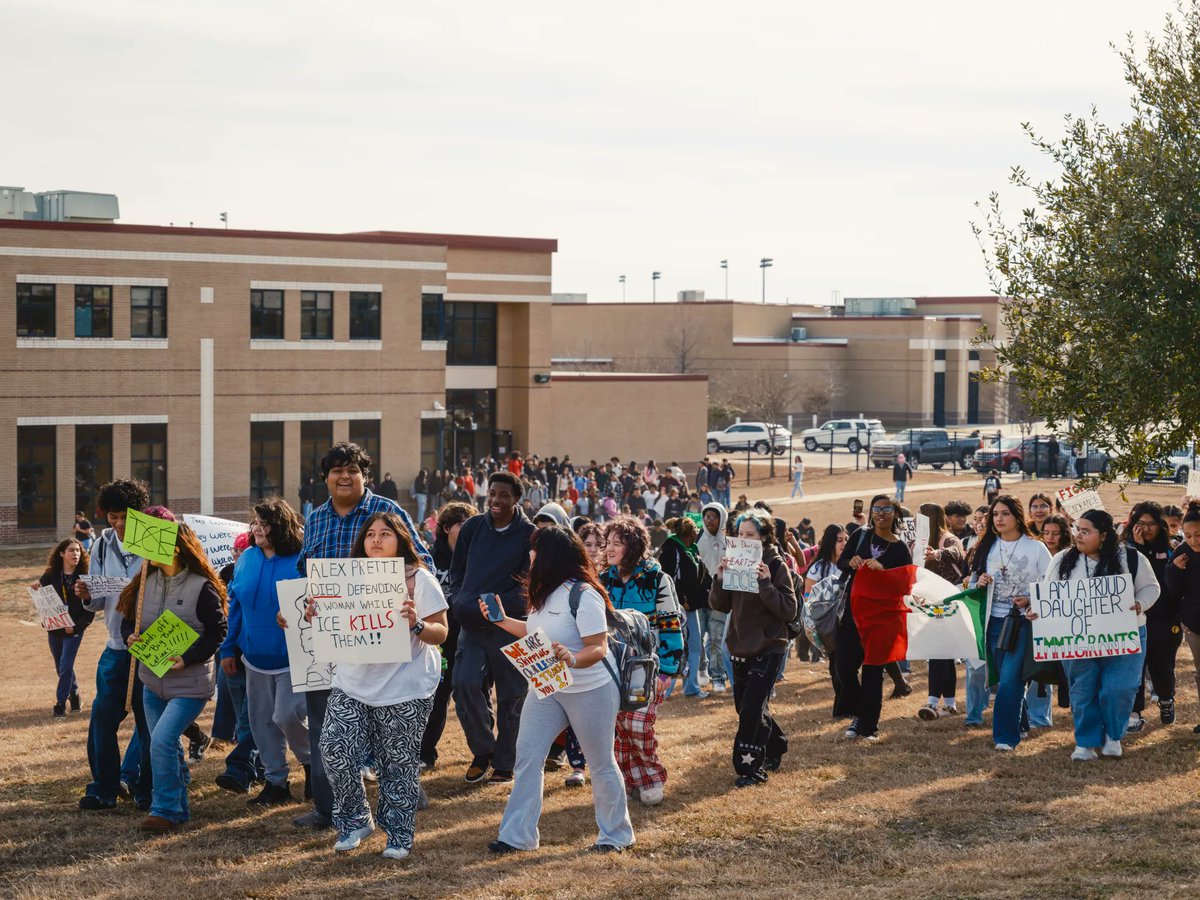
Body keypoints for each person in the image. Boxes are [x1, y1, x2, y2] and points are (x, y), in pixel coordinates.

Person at [292, 442, 432, 830]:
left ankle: (403, 790)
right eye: (336, 470)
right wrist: (297, 606)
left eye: (352, 470)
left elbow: (423, 562)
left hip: (381, 638)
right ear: (325, 478)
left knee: (387, 724)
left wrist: (400, 598)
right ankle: (328, 808)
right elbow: (305, 574)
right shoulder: (315, 519)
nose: (344, 476)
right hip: (331, 639)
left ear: (364, 476)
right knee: (325, 726)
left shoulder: (387, 512)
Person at [484, 526, 635, 854]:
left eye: (535, 548)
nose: (530, 554)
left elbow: (598, 647)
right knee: (527, 757)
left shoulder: (584, 594)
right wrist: (501, 620)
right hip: (548, 687)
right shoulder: (542, 593)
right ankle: (517, 836)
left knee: (600, 763)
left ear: (549, 555)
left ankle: (616, 836)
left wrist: (573, 658)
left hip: (591, 689)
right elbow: (534, 631)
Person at [308, 512, 447, 860]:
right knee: (334, 750)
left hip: (404, 687)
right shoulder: (342, 579)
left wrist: (417, 624)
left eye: (385, 533)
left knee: (396, 764)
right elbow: (324, 623)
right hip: (351, 683)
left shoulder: (418, 579)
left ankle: (398, 834)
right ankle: (355, 820)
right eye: (370, 534)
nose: (376, 539)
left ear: (401, 539)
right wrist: (308, 616)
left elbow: (441, 632)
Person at [120, 511, 228, 831]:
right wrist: (130, 636)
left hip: (190, 684)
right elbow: (129, 620)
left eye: (154, 543)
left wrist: (188, 658)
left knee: (161, 741)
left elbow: (218, 631)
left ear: (175, 549)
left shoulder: (201, 587)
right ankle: (178, 807)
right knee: (165, 744)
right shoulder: (144, 582)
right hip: (151, 681)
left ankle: (164, 809)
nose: (146, 550)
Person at [219, 498, 309, 806]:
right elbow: (235, 606)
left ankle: (312, 765)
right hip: (253, 658)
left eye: (265, 524)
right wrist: (228, 648)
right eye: (255, 523)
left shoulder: (301, 560)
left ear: (281, 527)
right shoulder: (246, 558)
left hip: (292, 657)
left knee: (286, 715)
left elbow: (314, 602)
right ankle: (276, 783)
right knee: (261, 723)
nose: (257, 529)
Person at [448, 472, 536, 785]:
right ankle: (483, 750)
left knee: (512, 695)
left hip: (510, 625)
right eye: (493, 494)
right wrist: (460, 599)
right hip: (471, 622)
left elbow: (530, 583)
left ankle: (505, 761)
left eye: (504, 495)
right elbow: (457, 571)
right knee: (464, 684)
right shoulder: (472, 527)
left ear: (517, 499)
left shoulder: (530, 534)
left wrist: (498, 607)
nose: (496, 500)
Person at [1049, 509, 1158, 760]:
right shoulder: (1063, 560)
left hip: (1125, 633)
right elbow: (1050, 594)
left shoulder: (1131, 557)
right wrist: (1038, 612)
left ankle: (1113, 736)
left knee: (1120, 687)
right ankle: (1085, 743)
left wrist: (1139, 604)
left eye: (1086, 531)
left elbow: (1151, 587)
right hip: (1078, 637)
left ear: (1104, 535)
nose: (1079, 535)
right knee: (1082, 689)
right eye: (1077, 530)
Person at [75, 478, 153, 812]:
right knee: (102, 719)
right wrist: (87, 595)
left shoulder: (155, 539)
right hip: (116, 648)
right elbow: (97, 601)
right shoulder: (102, 545)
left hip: (150, 646)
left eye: (125, 517)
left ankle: (148, 789)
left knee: (150, 724)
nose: (119, 523)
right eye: (113, 516)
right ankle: (103, 789)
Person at [709, 511, 798, 786]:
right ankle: (776, 743)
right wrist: (719, 578)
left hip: (770, 646)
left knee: (751, 709)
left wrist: (765, 583)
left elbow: (789, 609)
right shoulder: (735, 560)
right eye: (740, 534)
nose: (744, 539)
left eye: (750, 534)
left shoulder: (775, 563)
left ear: (764, 537)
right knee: (745, 706)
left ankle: (750, 768)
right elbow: (720, 605)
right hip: (740, 645)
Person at [600, 515, 682, 805]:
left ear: (633, 546)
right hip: (610, 666)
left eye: (617, 543)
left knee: (638, 724)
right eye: (608, 542)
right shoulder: (602, 580)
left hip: (645, 667)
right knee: (618, 726)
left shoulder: (657, 579)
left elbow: (671, 625)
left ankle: (652, 777)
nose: (609, 548)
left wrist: (667, 671)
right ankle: (630, 779)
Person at [967, 495, 1051, 751]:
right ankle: (1021, 722)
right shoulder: (987, 546)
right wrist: (980, 584)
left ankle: (1005, 738)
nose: (999, 519)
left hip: (1023, 622)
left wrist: (1031, 600)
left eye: (1005, 513)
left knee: (1010, 680)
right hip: (993, 621)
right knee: (999, 679)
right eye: (995, 514)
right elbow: (972, 585)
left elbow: (1052, 585)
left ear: (1017, 516)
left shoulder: (1036, 548)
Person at [835, 495, 914, 741]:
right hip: (854, 612)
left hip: (882, 617)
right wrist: (851, 561)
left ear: (895, 513)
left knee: (873, 670)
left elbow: (905, 584)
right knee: (844, 665)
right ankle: (861, 711)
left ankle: (868, 725)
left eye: (887, 508)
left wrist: (885, 571)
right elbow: (841, 562)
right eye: (876, 509)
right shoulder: (861, 535)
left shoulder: (900, 548)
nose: (881, 513)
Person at [420, 501, 477, 771]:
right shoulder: (430, 559)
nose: (467, 531)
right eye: (461, 525)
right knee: (437, 697)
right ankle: (425, 753)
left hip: (470, 636)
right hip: (439, 640)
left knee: (472, 694)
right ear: (446, 528)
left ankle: (483, 752)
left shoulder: (477, 557)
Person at [1124, 500, 1180, 731]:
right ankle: (1135, 712)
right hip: (1133, 618)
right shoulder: (1124, 550)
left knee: (1161, 666)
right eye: (1140, 523)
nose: (1145, 529)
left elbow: (1157, 582)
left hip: (1164, 619)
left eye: (1151, 524)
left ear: (1160, 525)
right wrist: (1136, 548)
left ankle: (1166, 699)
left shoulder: (1170, 549)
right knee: (1134, 668)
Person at [35, 538, 94, 716]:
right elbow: (42, 600)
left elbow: (91, 607)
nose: (75, 553)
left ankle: (60, 703)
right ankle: (74, 694)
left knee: (66, 665)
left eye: (78, 550)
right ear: (62, 553)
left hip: (74, 629)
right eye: (71, 550)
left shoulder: (85, 577)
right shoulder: (50, 575)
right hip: (55, 628)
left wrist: (76, 627)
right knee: (60, 666)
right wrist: (36, 589)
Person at [915, 504, 965, 720]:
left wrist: (937, 554)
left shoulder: (948, 539)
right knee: (944, 654)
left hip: (949, 602)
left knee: (939, 651)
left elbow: (957, 553)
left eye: (919, 516)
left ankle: (933, 702)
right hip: (929, 603)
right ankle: (949, 704)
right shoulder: (918, 542)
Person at [659, 517, 709, 699]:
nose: (697, 532)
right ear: (689, 532)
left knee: (694, 645)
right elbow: (667, 578)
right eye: (695, 530)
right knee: (675, 645)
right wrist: (680, 599)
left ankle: (691, 687)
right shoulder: (671, 549)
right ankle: (665, 690)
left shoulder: (691, 550)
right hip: (676, 608)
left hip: (690, 607)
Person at [1166, 504, 1200, 732]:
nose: (1193, 540)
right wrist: (1175, 570)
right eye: (1188, 535)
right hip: (1195, 621)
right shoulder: (1182, 553)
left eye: (1198, 534)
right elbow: (1173, 590)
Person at [697, 502, 730, 693]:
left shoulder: (729, 541)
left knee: (717, 638)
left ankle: (718, 677)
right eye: (706, 516)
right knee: (698, 638)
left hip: (720, 598)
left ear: (721, 518)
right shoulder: (697, 538)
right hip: (700, 598)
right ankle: (702, 668)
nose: (709, 520)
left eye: (713, 516)